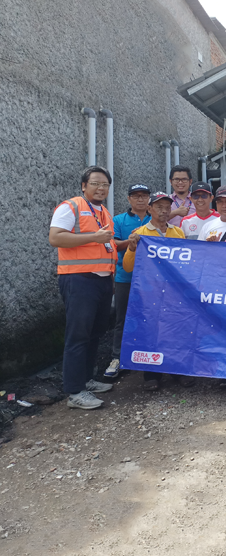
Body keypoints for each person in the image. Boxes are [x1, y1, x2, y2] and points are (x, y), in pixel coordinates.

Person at [49, 166, 117, 409]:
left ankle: (87, 380)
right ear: (84, 185)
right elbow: (56, 237)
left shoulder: (103, 213)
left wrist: (127, 242)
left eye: (105, 185)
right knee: (78, 335)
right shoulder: (71, 206)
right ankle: (75, 392)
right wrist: (92, 238)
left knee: (94, 333)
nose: (101, 188)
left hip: (101, 280)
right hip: (78, 279)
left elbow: (105, 244)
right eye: (96, 183)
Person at [123, 191, 194, 391]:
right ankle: (151, 374)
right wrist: (131, 247)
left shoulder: (178, 232)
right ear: (149, 209)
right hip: (150, 293)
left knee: (175, 331)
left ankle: (177, 371)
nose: (164, 211)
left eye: (167, 207)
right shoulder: (141, 233)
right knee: (151, 332)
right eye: (159, 207)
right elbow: (128, 267)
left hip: (174, 293)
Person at [103, 183, 151, 378]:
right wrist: (131, 241)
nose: (140, 199)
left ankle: (149, 359)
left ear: (149, 199)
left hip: (152, 280)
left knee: (151, 318)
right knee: (122, 319)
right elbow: (112, 244)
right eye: (136, 196)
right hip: (126, 276)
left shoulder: (154, 218)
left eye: (144, 195)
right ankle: (117, 357)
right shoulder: (119, 220)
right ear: (129, 199)